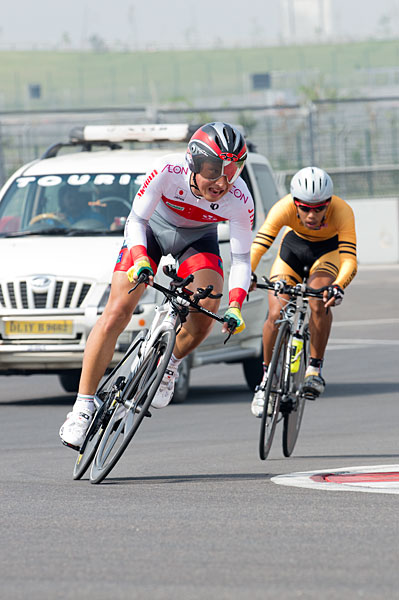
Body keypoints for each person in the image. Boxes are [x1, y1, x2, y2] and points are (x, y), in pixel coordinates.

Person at [60, 122, 253, 449]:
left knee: (206, 310)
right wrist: (141, 260)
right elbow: (136, 221)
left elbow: (243, 260)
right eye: (213, 169)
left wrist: (235, 305)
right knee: (119, 310)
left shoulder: (238, 197)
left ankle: (170, 364)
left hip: (197, 240)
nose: (222, 180)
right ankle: (82, 406)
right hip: (149, 233)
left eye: (232, 169)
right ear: (193, 162)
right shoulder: (168, 169)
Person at [250, 166, 357, 418]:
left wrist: (338, 286)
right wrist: (247, 275)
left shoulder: (342, 211)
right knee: (276, 313)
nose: (312, 214)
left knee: (319, 300)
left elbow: (350, 259)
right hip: (293, 250)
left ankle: (314, 370)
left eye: (319, 208)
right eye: (305, 207)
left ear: (328, 204)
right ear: (294, 202)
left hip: (327, 254)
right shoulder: (283, 207)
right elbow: (259, 245)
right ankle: (266, 380)